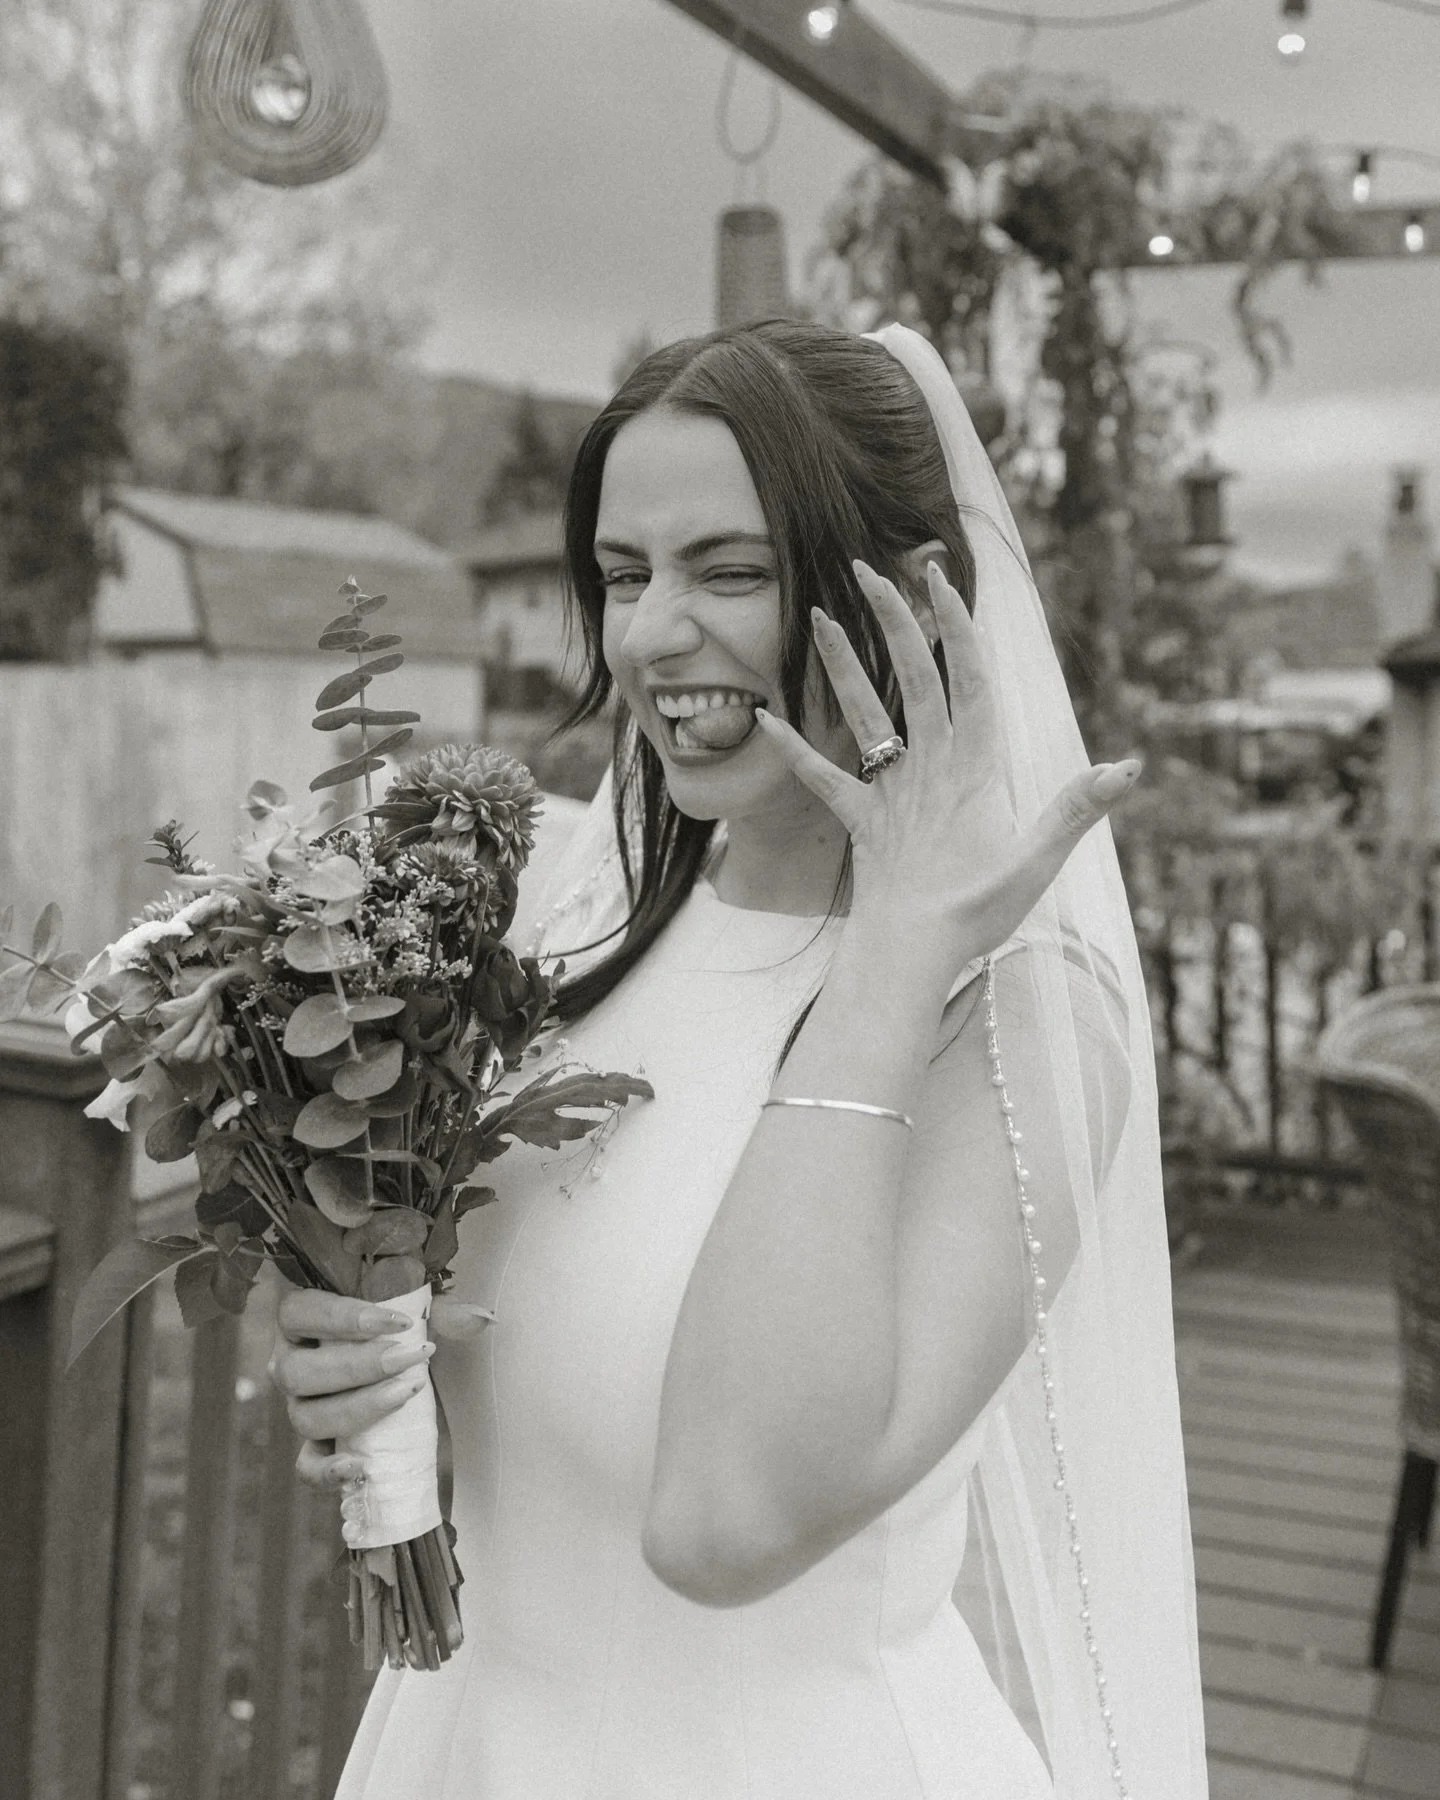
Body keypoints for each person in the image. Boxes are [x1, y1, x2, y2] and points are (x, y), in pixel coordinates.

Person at [269, 320, 1207, 1799]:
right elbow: (540, 1380)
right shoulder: (565, 917)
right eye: (624, 574)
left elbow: (725, 1522)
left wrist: (893, 947)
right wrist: (366, 1361)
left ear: (914, 603)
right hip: (474, 1747)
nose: (649, 635)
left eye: (729, 572)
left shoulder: (1020, 1024)